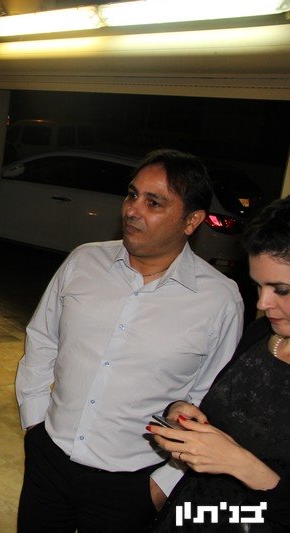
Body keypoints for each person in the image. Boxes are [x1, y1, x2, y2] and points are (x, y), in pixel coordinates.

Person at [15, 149, 244, 532]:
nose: (132, 210)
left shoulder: (219, 300)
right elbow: (42, 339)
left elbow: (209, 400)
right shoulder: (83, 262)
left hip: (132, 485)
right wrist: (34, 422)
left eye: (154, 202)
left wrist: (162, 485)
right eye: (132, 194)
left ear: (192, 220)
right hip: (49, 460)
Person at [148, 195, 290, 531]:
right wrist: (186, 416)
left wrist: (242, 465)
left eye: (281, 289)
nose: (263, 303)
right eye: (258, 286)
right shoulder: (261, 334)